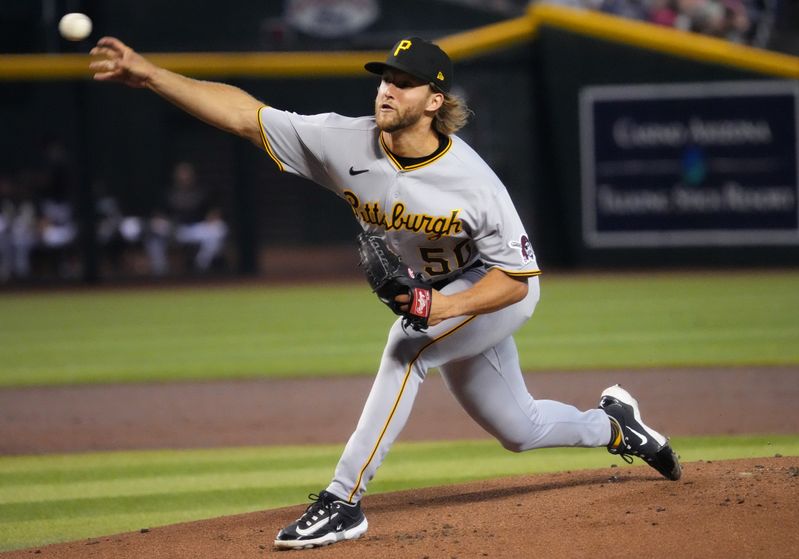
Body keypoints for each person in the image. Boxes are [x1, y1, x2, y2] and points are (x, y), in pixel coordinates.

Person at [90, 35, 681, 550]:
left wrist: (446, 305)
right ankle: (616, 426)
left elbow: (518, 279)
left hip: (492, 291)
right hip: (440, 294)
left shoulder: (474, 183)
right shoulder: (344, 142)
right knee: (518, 429)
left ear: (436, 101)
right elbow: (247, 115)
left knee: (407, 346)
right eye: (385, 79)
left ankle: (343, 500)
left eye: (405, 82)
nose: (387, 91)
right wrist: (152, 75)